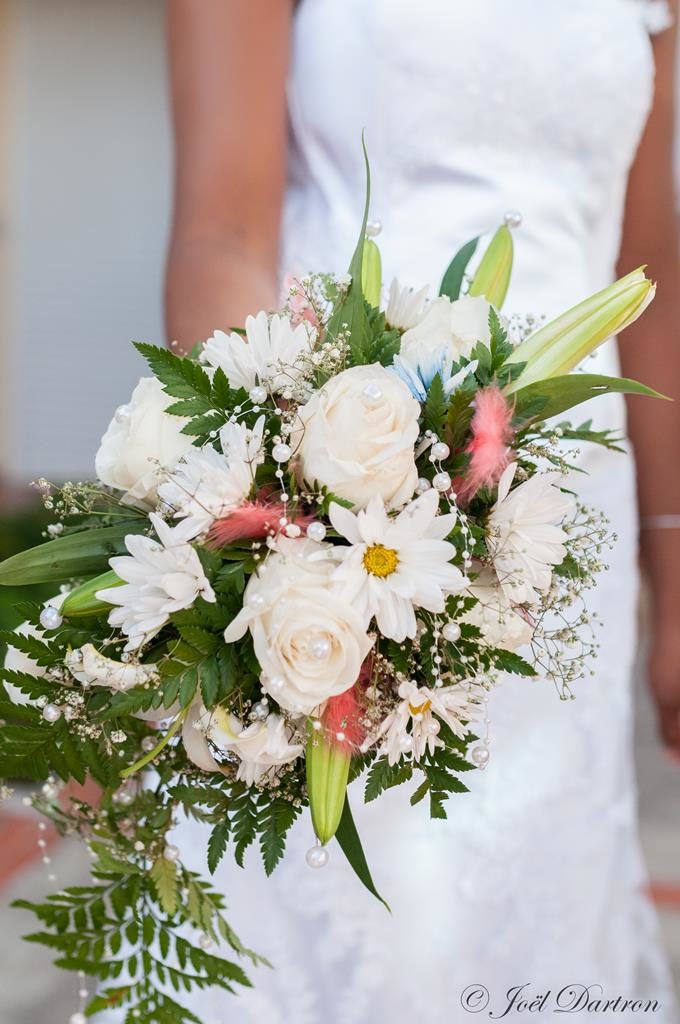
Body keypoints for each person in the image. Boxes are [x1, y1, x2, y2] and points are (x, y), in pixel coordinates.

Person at [152, 2, 680, 1021]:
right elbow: (222, 231)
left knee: (540, 909)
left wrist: (676, 560)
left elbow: (647, 260)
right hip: (344, 515)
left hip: (572, 544)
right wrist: (280, 535)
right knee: (365, 918)